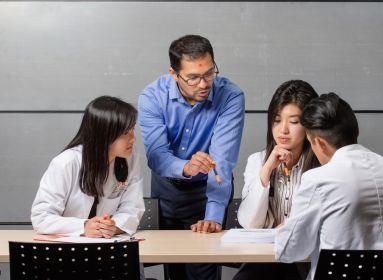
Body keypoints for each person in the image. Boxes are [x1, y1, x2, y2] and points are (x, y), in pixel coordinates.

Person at [275, 92, 383, 280]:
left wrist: (287, 226)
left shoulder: (318, 180)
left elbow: (288, 251)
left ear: (319, 143)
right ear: (356, 131)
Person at [138, 34, 245, 280]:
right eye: (193, 78)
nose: (204, 84)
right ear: (174, 74)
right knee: (174, 271)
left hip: (207, 191)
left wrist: (213, 215)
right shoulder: (152, 97)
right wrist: (186, 166)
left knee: (203, 273)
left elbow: (222, 161)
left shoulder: (230, 96)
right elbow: (157, 156)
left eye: (209, 73)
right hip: (166, 191)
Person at [234, 80, 319, 280]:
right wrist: (267, 170)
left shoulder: (321, 166)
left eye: (294, 121)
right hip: (265, 259)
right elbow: (250, 223)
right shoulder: (257, 161)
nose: (283, 130)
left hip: (305, 260)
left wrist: (289, 228)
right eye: (277, 120)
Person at [31, 95, 145, 239]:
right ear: (104, 134)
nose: (133, 138)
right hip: (67, 250)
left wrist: (115, 226)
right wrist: (84, 226)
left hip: (110, 247)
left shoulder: (130, 157)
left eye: (133, 130)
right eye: (125, 133)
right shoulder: (67, 162)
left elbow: (132, 207)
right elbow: (41, 218)